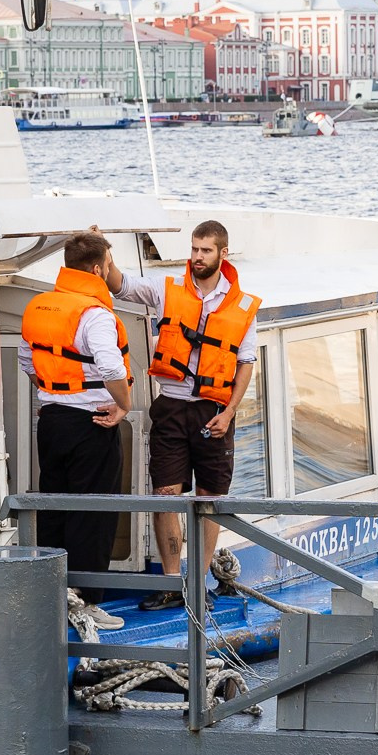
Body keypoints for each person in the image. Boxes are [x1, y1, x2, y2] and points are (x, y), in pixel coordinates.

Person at [136, 220, 259, 593]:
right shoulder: (167, 288)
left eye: (205, 250)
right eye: (193, 249)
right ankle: (173, 585)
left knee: (209, 497)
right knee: (165, 495)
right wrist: (102, 253)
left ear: (223, 253)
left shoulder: (241, 306)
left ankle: (198, 583)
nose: (197, 257)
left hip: (213, 412)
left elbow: (246, 362)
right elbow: (121, 284)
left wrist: (230, 411)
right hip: (172, 407)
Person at [18, 231, 133, 581]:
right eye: (110, 265)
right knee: (93, 516)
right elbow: (112, 366)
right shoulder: (94, 314)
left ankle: (54, 595)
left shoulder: (39, 306)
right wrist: (123, 406)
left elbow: (27, 360)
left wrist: (55, 393)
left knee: (55, 508)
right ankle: (86, 599)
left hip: (52, 421)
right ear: (98, 270)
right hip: (91, 424)